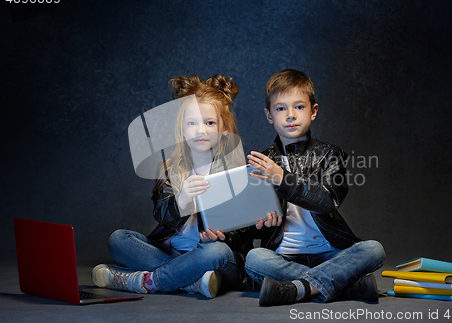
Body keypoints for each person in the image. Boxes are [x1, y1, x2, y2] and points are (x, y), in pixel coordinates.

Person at [92, 74, 253, 298]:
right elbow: (161, 214)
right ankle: (191, 281)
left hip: (212, 255)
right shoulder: (170, 168)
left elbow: (245, 231)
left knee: (215, 251)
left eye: (209, 123)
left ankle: (146, 281)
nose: (200, 130)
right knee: (118, 239)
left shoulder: (235, 172)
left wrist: (219, 236)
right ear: (182, 129)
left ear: (224, 128)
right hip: (173, 251)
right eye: (192, 123)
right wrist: (182, 201)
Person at [244, 69, 386, 306]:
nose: (290, 115)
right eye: (281, 108)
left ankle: (297, 288)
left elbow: (327, 201)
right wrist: (260, 224)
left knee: (373, 249)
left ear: (314, 111)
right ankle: (346, 286)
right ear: (269, 115)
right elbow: (251, 225)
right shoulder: (261, 162)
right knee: (254, 258)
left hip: (330, 253)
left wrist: (282, 178)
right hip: (284, 255)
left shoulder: (331, 155)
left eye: (299, 107)